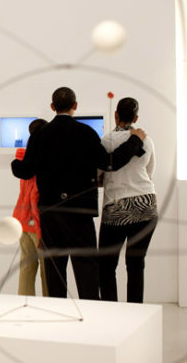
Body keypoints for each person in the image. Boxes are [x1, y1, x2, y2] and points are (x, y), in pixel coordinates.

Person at [11, 86, 146, 300]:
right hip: (79, 212)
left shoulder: (40, 135)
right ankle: (91, 317)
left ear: (53, 107)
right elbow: (110, 163)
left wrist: (14, 163)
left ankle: (58, 317)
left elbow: (25, 170)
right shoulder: (86, 133)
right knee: (86, 269)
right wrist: (135, 141)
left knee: (55, 269)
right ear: (75, 106)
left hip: (50, 212)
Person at [99, 97, 157, 303]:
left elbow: (99, 174)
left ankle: (111, 313)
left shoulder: (105, 141)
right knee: (136, 264)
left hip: (116, 206)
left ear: (116, 115)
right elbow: (150, 173)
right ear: (136, 117)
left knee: (106, 267)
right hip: (146, 204)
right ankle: (136, 312)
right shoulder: (147, 140)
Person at [14, 118, 48, 297]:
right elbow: (35, 198)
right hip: (36, 224)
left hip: (21, 221)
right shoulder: (40, 163)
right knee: (46, 272)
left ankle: (23, 304)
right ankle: (50, 306)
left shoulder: (23, 160)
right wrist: (41, 233)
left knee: (26, 268)